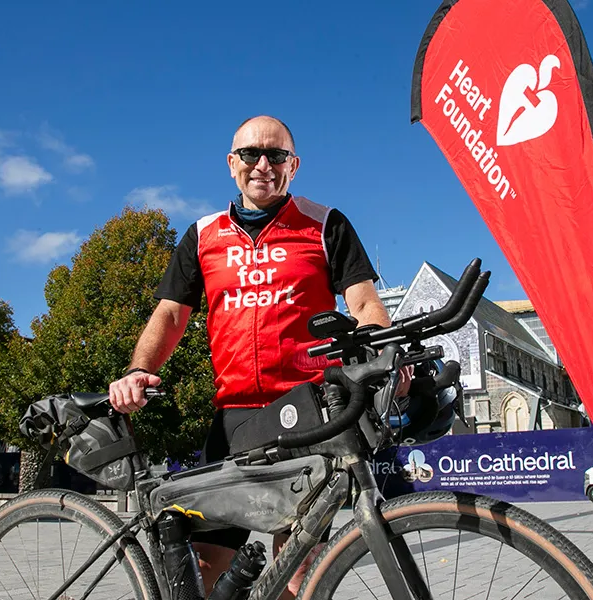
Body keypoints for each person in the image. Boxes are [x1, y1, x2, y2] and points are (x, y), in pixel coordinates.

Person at [109, 115, 409, 598]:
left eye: (276, 155)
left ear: (294, 165)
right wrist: (140, 370)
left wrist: (381, 347)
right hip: (234, 420)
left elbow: (363, 301)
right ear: (232, 164)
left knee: (298, 572)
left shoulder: (325, 223)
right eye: (251, 154)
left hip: (307, 413)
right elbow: (170, 314)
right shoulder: (204, 234)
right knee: (206, 571)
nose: (263, 165)